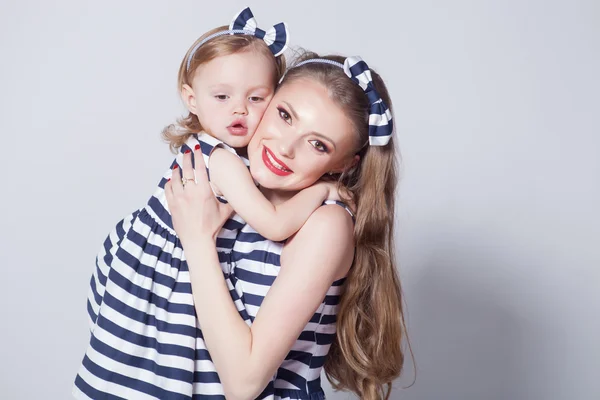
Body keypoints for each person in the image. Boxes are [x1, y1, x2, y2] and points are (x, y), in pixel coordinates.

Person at [73, 8, 338, 400]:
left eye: (256, 98)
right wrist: (323, 191)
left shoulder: (208, 150)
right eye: (222, 96)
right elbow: (275, 225)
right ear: (191, 98)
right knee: (167, 368)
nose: (239, 109)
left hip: (142, 266)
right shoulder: (219, 157)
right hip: (168, 270)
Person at [166, 53, 407, 400]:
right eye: (285, 115)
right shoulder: (232, 189)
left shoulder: (326, 225)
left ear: (342, 164)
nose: (285, 147)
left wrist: (197, 241)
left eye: (318, 144)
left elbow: (243, 384)